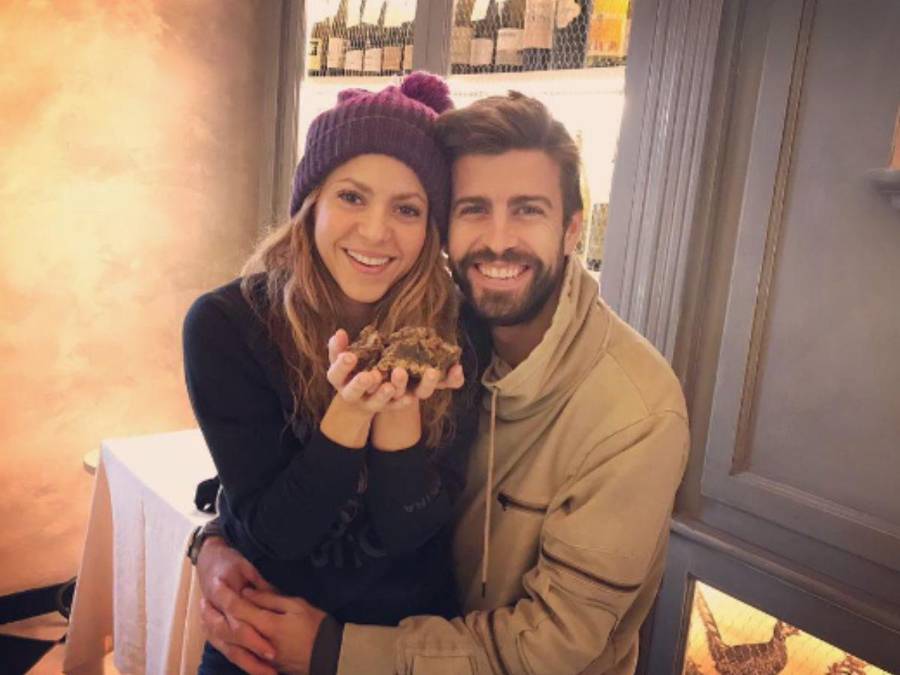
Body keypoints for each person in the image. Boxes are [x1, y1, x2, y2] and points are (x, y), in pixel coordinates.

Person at [195, 91, 690, 675]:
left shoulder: (633, 412)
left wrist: (331, 650)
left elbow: (555, 644)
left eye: (528, 210)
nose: (499, 240)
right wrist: (214, 539)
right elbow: (269, 474)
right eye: (474, 208)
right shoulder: (452, 325)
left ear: (572, 229)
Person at [181, 72, 492, 674]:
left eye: (407, 209)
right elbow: (277, 535)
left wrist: (398, 414)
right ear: (312, 202)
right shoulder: (227, 325)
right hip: (260, 639)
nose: (375, 231)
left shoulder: (457, 332)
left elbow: (410, 534)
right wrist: (348, 414)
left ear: (431, 228)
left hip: (399, 646)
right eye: (352, 197)